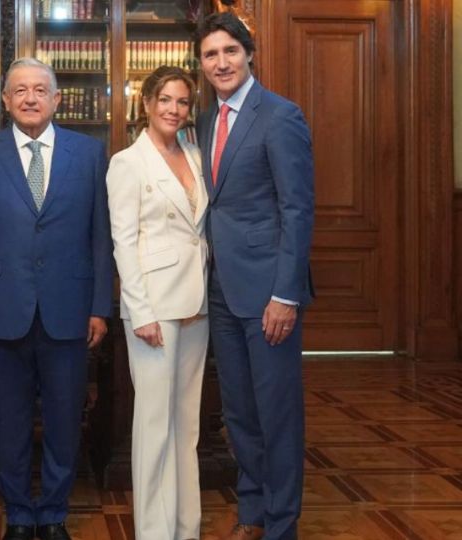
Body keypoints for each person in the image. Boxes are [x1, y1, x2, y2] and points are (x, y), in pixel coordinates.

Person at [0, 58, 113, 540]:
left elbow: (100, 237)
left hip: (69, 308)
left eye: (40, 90)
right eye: (19, 90)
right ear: (4, 100)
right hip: (3, 311)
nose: (29, 97)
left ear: (57, 99)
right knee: (12, 423)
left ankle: (55, 513)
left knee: (65, 421)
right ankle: (20, 514)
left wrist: (100, 306)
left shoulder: (89, 153)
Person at [195, 12, 314, 540]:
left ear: (249, 54)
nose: (221, 62)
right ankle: (252, 513)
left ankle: (283, 523)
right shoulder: (203, 120)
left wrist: (285, 295)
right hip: (219, 289)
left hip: (269, 293)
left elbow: (296, 209)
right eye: (210, 55)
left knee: (276, 415)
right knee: (239, 413)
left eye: (230, 52)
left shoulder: (280, 116)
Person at [107, 65, 209, 540]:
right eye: (164, 99)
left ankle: (185, 528)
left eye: (182, 101)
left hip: (198, 303)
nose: (173, 109)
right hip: (154, 307)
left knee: (187, 425)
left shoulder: (195, 152)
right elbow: (122, 243)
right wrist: (140, 311)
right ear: (146, 104)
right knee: (154, 425)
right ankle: (153, 531)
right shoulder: (128, 162)